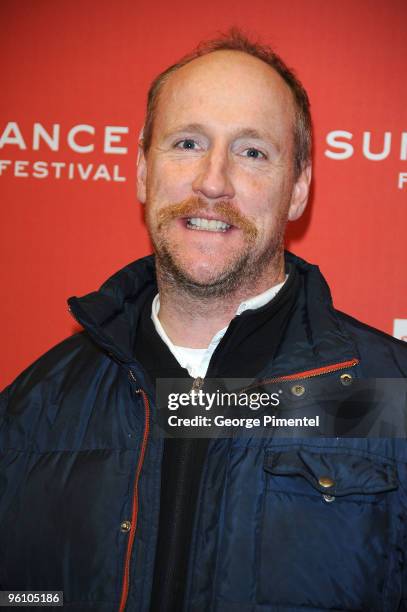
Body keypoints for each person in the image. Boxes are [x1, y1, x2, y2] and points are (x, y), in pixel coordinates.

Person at [1, 29, 407, 612]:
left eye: (252, 152)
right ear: (143, 171)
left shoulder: (391, 398)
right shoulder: (30, 409)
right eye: (187, 143)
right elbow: (22, 597)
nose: (213, 181)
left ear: (297, 189)